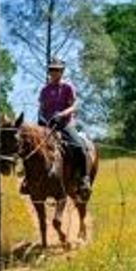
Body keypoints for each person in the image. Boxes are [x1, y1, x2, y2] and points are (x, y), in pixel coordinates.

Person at [37, 58, 90, 197]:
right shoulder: (44, 90)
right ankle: (28, 179)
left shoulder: (68, 87)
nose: (54, 72)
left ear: (62, 71)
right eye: (51, 69)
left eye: (57, 70)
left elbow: (73, 106)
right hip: (48, 125)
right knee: (32, 146)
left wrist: (61, 114)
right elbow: (41, 108)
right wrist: (42, 118)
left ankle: (83, 179)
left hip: (65, 124)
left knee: (79, 146)